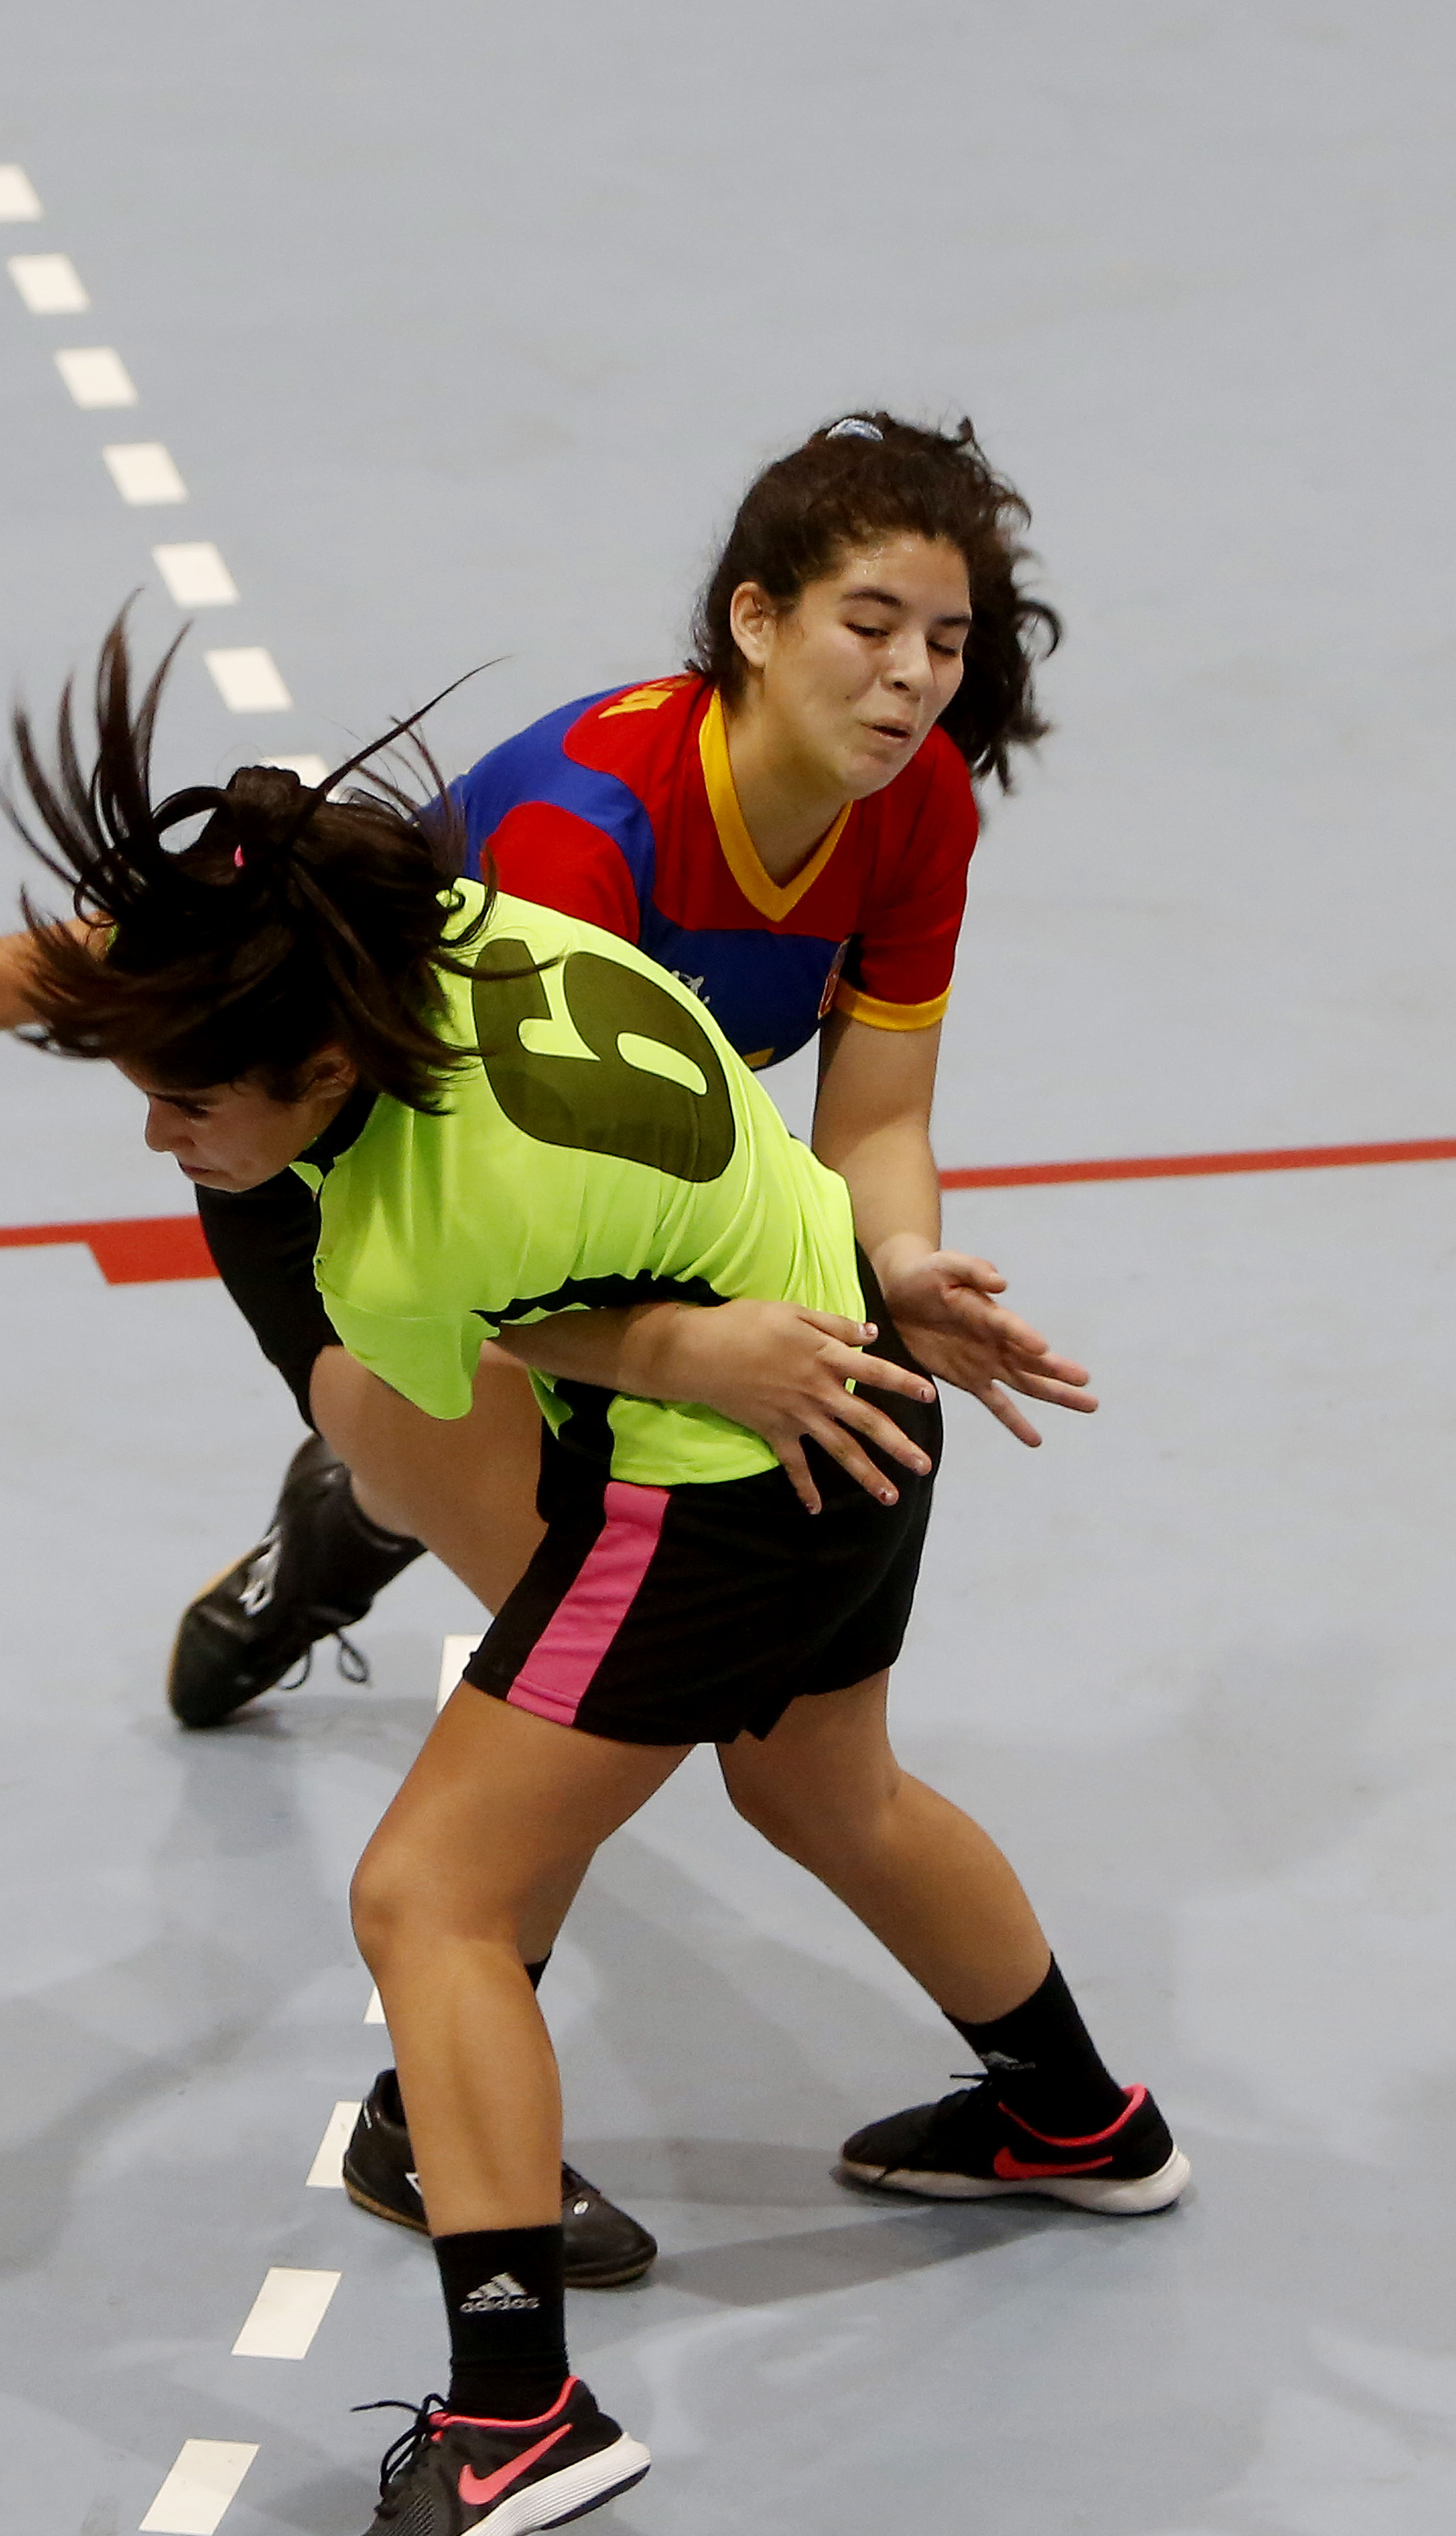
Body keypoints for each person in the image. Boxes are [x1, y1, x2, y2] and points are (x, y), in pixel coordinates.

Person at [0, 618, 1184, 2536]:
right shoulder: (482, 935)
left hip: (721, 1485)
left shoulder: (395, 1228)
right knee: (828, 1791)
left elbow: (475, 1372)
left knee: (428, 1893)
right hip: (865, 1397)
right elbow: (599, 1280)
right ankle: (1077, 2115)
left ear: (322, 1063)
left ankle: (515, 2412)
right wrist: (705, 1332)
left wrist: (677, 1360)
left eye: (184, 1102)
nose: (162, 1142)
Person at [172, 411, 1092, 1771]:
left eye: (944, 643)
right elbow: (499, 1244)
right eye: (870, 626)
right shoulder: (583, 832)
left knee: (660, 1635)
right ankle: (367, 1494)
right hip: (369, 1201)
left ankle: (370, 1499)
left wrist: (896, 1263)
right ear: (756, 622)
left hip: (580, 1200)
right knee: (592, 1657)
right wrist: (686, 1359)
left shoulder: (916, 803)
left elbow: (877, 1121)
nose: (912, 676)